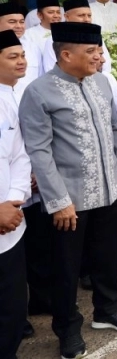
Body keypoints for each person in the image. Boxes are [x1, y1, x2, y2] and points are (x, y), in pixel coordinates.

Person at [19, 22, 117, 358]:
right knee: (66, 267)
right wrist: (57, 202)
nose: (99, 57)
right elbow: (39, 151)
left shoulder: (102, 82)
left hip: (109, 191)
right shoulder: (39, 92)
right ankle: (67, 328)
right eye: (92, 51)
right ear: (66, 54)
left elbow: (115, 131)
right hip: (69, 200)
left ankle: (107, 310)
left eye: (98, 50)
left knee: (106, 255)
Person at [0, 29, 32, 359]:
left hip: (11, 221)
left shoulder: (13, 94)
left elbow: (19, 155)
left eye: (22, 55)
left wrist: (13, 199)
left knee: (12, 307)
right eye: (13, 56)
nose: (21, 61)